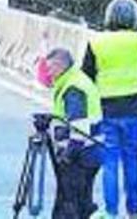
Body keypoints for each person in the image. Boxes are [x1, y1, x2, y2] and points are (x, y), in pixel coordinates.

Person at [82, 0, 137, 218]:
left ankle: (110, 212)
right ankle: (133, 210)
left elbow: (85, 76)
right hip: (133, 108)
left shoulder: (96, 42)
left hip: (105, 108)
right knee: (132, 161)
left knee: (110, 163)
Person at [41, 47, 103, 219]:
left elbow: (79, 127)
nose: (48, 73)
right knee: (82, 203)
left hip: (81, 155)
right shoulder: (75, 80)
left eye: (50, 68)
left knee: (70, 204)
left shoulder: (73, 89)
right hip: (92, 152)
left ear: (60, 66)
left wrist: (68, 155)